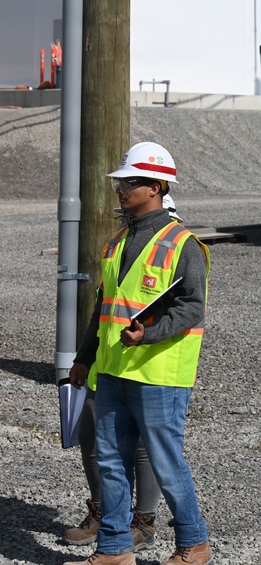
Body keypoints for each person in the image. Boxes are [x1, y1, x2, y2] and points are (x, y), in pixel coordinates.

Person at [66, 142, 212, 565]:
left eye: (130, 182)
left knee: (166, 463)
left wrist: (148, 333)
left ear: (157, 187)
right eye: (120, 182)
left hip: (159, 374)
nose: (121, 189)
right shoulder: (116, 243)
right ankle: (114, 549)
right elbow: (104, 308)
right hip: (114, 371)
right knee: (111, 462)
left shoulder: (183, 244)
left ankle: (194, 545)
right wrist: (84, 357)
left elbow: (192, 306)